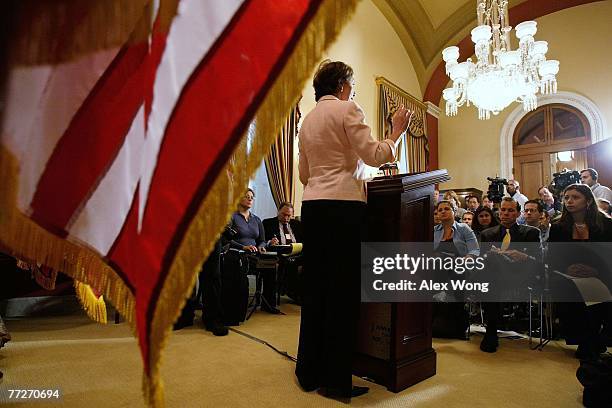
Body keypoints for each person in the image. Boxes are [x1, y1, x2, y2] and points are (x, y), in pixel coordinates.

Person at [296, 59, 412, 399]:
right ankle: (335, 381)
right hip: (344, 210)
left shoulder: (306, 122)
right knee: (343, 294)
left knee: (316, 290)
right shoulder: (348, 109)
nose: (354, 91)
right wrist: (397, 131)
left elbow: (305, 175)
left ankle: (309, 371)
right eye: (353, 85)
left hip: (313, 207)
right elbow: (377, 156)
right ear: (344, 86)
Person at [547, 184, 612, 359]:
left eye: (575, 197)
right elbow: (553, 257)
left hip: (602, 272)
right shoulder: (558, 226)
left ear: (589, 201)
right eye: (566, 197)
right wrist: (567, 268)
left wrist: (596, 270)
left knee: (601, 289)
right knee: (566, 287)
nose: (569, 201)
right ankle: (586, 339)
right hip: (568, 274)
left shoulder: (606, 224)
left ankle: (594, 338)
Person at [479, 197, 540, 352]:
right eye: (503, 210)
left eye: (510, 210)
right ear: (499, 212)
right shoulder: (487, 234)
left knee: (489, 279)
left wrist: (524, 257)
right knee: (491, 265)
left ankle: (491, 329)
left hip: (520, 275)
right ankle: (491, 329)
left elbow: (538, 262)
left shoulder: (530, 233)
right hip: (494, 277)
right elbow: (482, 261)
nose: (506, 213)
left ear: (518, 213)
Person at [229, 188, 280, 314]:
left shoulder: (256, 219)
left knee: (271, 265)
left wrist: (262, 246)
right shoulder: (232, 216)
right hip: (238, 254)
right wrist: (243, 247)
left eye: (252, 197)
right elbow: (226, 240)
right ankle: (239, 306)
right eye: (247, 196)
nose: (250, 199)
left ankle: (268, 303)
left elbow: (262, 240)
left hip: (255, 253)